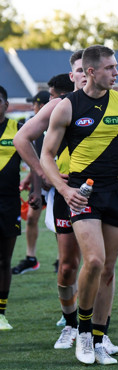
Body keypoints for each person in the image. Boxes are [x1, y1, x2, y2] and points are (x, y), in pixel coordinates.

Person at [40, 45, 118, 365]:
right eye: (111, 68)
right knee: (96, 261)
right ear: (90, 72)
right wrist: (63, 188)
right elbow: (46, 155)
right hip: (82, 191)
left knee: (110, 270)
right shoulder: (66, 107)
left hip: (116, 190)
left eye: (117, 68)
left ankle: (100, 338)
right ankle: (83, 334)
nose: (117, 74)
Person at [15, 51, 118, 354]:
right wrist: (44, 176)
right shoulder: (58, 106)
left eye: (81, 70)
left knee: (99, 264)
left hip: (101, 190)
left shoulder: (112, 102)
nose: (79, 76)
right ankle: (72, 325)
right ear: (76, 74)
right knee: (67, 266)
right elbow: (22, 139)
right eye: (75, 71)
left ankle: (96, 333)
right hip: (67, 191)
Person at [10, 90, 50, 275]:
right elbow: (34, 157)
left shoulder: (55, 121)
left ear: (41, 106)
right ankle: (31, 258)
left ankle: (61, 259)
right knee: (32, 218)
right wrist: (29, 179)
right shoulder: (33, 125)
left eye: (34, 104)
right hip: (39, 178)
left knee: (59, 221)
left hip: (59, 177)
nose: (32, 107)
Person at [0, 85, 23, 331]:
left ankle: (1, 312)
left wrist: (36, 190)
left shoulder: (18, 129)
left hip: (8, 201)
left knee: (4, 260)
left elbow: (34, 160)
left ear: (7, 104)